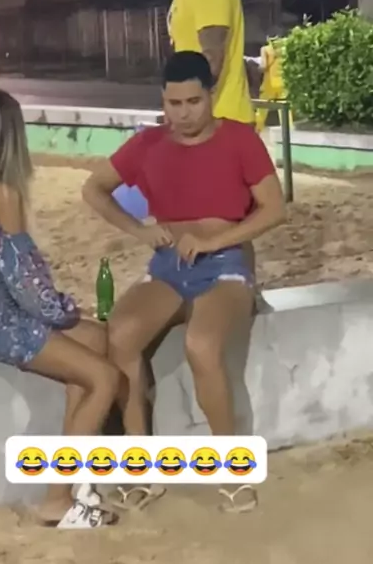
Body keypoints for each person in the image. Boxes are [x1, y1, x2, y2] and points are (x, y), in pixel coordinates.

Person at [82, 52, 286, 513]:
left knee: (200, 343)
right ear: (163, 100)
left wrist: (215, 241)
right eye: (174, 103)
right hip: (168, 266)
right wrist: (138, 230)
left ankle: (231, 470)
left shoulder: (239, 138)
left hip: (226, 264)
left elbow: (274, 210)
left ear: (210, 96)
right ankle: (141, 466)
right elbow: (93, 189)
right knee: (120, 335)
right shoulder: (149, 144)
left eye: (193, 101)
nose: (184, 113)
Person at [0, 89, 122, 529]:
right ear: (12, 138)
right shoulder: (5, 194)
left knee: (94, 342)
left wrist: (69, 319)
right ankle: (55, 499)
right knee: (105, 378)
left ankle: (73, 472)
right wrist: (66, 311)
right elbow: (27, 281)